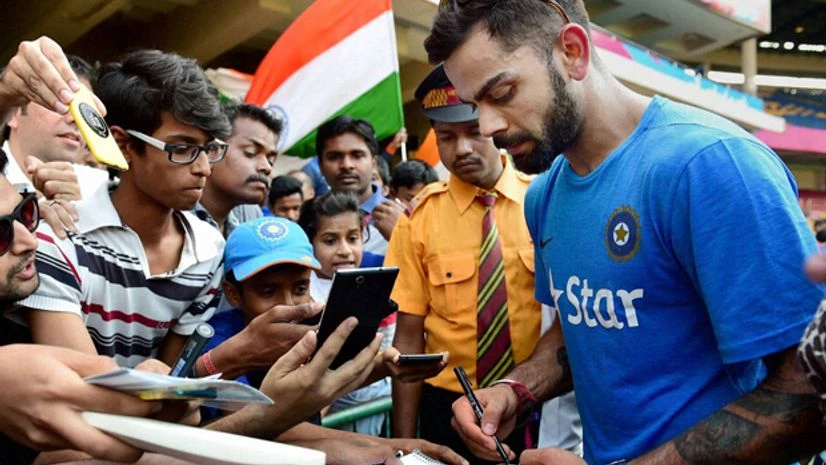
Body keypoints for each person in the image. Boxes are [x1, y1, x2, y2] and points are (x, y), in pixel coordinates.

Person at [426, 1, 826, 464]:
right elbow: (587, 325)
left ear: (572, 52)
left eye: (503, 93)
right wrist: (517, 390)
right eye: (476, 105)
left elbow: (808, 398)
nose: (489, 125)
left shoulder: (711, 167)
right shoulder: (546, 195)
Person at [16, 48, 230, 368]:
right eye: (183, 149)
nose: (203, 168)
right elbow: (85, 386)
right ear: (123, 144)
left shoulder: (209, 251)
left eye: (209, 149)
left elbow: (174, 381)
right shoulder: (60, 242)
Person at [202, 215, 463, 465]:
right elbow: (258, 420)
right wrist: (392, 444)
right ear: (234, 294)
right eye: (268, 292)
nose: (288, 305)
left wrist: (380, 367)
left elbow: (320, 385)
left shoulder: (311, 326)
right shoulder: (221, 342)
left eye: (300, 289)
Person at [385, 64, 543, 465]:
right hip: (446, 405)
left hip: (529, 398)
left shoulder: (542, 201)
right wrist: (403, 444)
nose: (462, 149)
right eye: (446, 137)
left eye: (473, 132)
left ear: (497, 124)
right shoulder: (418, 219)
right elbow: (408, 335)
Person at [298, 192, 396, 434]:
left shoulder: (372, 282)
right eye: (330, 241)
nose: (345, 251)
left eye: (353, 238)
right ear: (309, 243)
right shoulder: (301, 289)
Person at [3, 53, 109, 199]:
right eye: (60, 102)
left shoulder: (103, 191)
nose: (76, 119)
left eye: (85, 109)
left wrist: (83, 215)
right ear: (14, 113)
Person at [316, 116, 402, 258]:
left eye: (357, 155)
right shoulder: (310, 220)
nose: (346, 165)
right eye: (334, 157)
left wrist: (406, 237)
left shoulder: (403, 219)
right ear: (320, 165)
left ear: (374, 163)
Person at [195, 102, 281, 238]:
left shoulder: (252, 216)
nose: (267, 167)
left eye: (271, 160)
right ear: (212, 151)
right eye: (250, 152)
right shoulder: (171, 214)